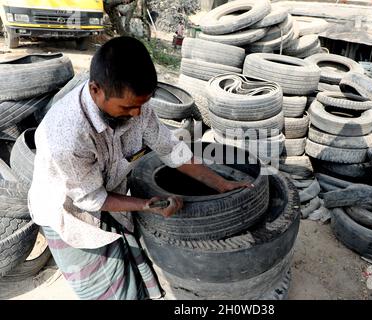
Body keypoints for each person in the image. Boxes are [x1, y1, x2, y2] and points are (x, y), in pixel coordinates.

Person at [28, 36, 251, 300]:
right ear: (95, 90)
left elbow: (171, 149)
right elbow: (91, 199)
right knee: (110, 293)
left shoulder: (137, 108)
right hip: (71, 213)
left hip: (109, 192)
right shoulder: (67, 137)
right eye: (127, 107)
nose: (136, 114)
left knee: (135, 271)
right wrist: (146, 204)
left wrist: (220, 184)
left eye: (141, 105)